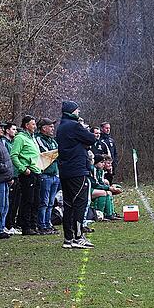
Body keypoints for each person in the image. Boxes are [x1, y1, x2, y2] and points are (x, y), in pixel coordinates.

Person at [56, 101, 98, 250]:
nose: (78, 112)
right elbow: (92, 139)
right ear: (72, 111)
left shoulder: (61, 127)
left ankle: (68, 238)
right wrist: (83, 129)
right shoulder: (74, 126)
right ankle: (78, 237)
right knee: (80, 204)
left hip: (65, 171)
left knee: (68, 205)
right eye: (77, 110)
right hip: (77, 170)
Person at [11, 115, 42, 235]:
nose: (35, 126)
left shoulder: (32, 138)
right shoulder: (20, 138)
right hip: (28, 173)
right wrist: (23, 169)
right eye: (33, 124)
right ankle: (26, 226)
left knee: (36, 201)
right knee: (27, 200)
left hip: (37, 171)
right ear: (26, 125)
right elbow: (14, 155)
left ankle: (34, 225)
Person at [35, 118, 60, 234]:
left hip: (55, 174)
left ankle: (48, 223)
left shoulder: (52, 140)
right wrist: (55, 154)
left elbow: (58, 153)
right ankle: (42, 224)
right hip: (45, 174)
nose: (52, 129)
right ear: (44, 128)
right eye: (50, 126)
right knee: (44, 202)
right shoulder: (39, 139)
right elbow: (46, 155)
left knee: (51, 202)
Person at [89, 154, 122, 220]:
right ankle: (99, 215)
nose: (103, 164)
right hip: (89, 189)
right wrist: (109, 188)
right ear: (96, 163)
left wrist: (110, 188)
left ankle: (110, 214)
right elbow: (95, 184)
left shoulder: (100, 171)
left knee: (108, 193)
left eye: (104, 162)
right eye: (101, 162)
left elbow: (101, 183)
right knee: (103, 193)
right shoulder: (93, 169)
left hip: (95, 188)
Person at [2, 122, 21, 234]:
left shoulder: (14, 142)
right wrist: (8, 175)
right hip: (9, 175)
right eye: (13, 129)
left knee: (15, 202)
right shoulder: (4, 142)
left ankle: (11, 224)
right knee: (8, 201)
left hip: (16, 174)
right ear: (7, 130)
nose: (15, 131)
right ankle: (5, 225)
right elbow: (5, 159)